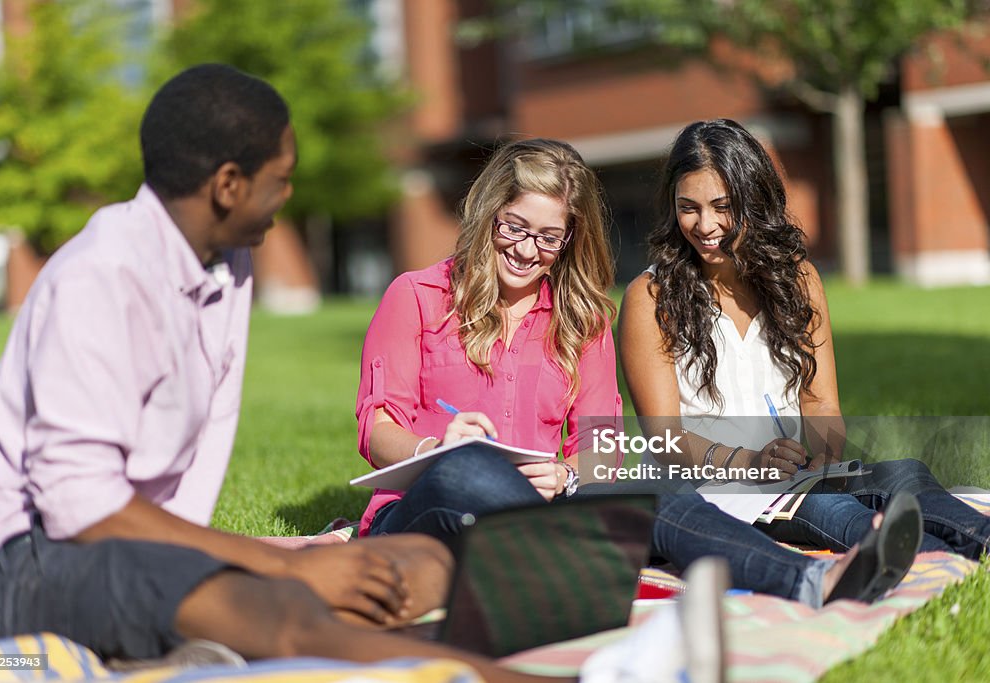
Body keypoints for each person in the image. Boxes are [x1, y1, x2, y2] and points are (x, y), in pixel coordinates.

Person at [0, 64, 610, 683]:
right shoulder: (102, 278)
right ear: (228, 186)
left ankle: (188, 640)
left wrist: (282, 558)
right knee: (290, 610)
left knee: (416, 567)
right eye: (282, 178)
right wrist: (280, 565)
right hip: (30, 565)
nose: (290, 194)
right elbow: (79, 507)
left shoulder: (222, 269)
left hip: (142, 551)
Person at [355, 137, 920, 608]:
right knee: (468, 472)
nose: (528, 250)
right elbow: (376, 432)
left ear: (569, 239)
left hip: (540, 519)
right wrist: (436, 447)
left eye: (550, 238)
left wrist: (566, 477)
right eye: (514, 228)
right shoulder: (417, 297)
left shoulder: (583, 321)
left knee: (657, 496)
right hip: (425, 517)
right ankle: (566, 575)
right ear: (487, 216)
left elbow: (601, 450)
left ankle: (814, 580)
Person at [619, 118, 990, 559]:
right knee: (833, 511)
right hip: (709, 490)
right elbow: (665, 437)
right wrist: (747, 461)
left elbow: (820, 404)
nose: (705, 224)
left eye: (723, 205)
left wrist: (824, 458)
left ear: (754, 200)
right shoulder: (651, 296)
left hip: (793, 476)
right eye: (689, 207)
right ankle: (943, 569)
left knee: (905, 474)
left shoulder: (799, 281)